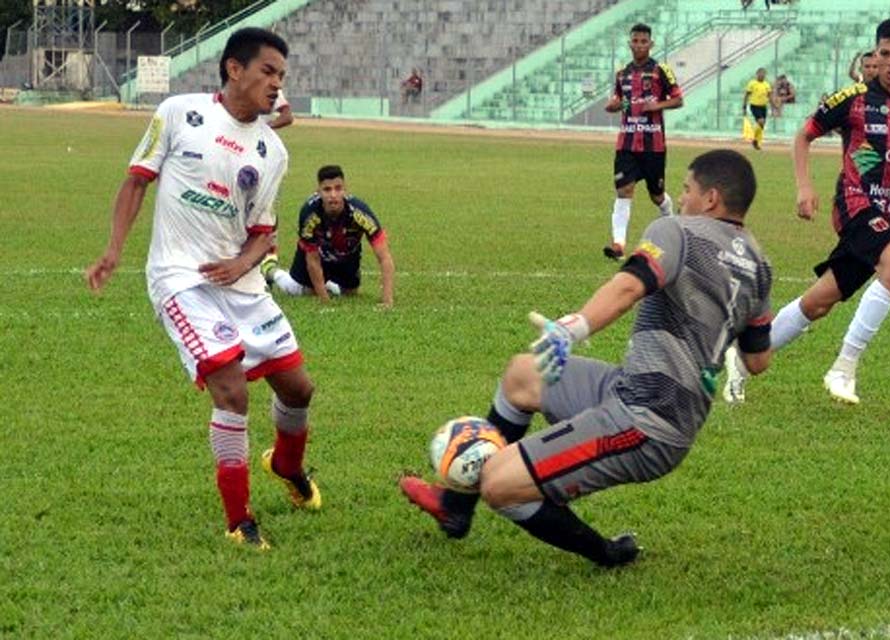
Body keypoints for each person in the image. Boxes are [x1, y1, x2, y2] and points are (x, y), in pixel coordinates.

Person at [400, 150, 773, 566]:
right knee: (523, 374)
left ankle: (605, 553)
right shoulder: (759, 264)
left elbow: (629, 287)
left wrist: (572, 329)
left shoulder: (679, 231)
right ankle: (456, 508)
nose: (680, 199)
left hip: (645, 421)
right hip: (642, 394)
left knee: (498, 482)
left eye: (687, 190)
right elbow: (757, 361)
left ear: (710, 199)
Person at [85, 27, 322, 550]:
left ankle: (286, 466)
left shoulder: (272, 150)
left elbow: (264, 234)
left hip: (242, 285)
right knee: (232, 391)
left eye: (282, 76)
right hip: (179, 278)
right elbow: (136, 181)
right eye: (268, 72)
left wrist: (241, 263)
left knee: (299, 389)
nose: (276, 85)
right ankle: (239, 521)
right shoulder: (177, 112)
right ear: (234, 69)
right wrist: (114, 249)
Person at [723, 19, 890, 405]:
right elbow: (804, 135)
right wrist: (804, 186)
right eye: (884, 53)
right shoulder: (852, 100)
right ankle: (843, 367)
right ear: (875, 54)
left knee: (819, 302)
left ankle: (743, 359)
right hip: (855, 204)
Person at [601, 22, 684, 261]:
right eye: (635, 41)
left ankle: (671, 221)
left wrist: (657, 104)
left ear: (651, 44)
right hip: (626, 143)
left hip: (653, 145)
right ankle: (618, 244)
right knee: (624, 190)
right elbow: (619, 100)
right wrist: (613, 105)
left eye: (643, 41)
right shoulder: (622, 73)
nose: (638, 45)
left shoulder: (661, 70)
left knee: (656, 195)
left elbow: (678, 99)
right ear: (629, 44)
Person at [262, 165, 395, 307]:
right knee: (301, 290)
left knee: (350, 293)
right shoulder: (309, 213)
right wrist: (325, 301)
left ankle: (328, 283)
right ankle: (270, 270)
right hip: (317, 253)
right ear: (318, 191)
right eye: (327, 189)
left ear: (345, 190)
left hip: (347, 255)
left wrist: (387, 300)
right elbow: (312, 260)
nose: (333, 195)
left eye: (338, 188)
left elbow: (385, 257)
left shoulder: (360, 213)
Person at [743, 67, 772, 150]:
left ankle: (755, 141)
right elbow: (747, 95)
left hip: (763, 106)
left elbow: (769, 96)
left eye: (763, 74)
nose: (762, 76)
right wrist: (744, 106)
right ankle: (754, 139)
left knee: (762, 125)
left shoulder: (767, 84)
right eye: (760, 74)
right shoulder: (752, 83)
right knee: (761, 122)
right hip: (755, 106)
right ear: (757, 74)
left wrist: (774, 107)